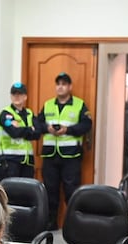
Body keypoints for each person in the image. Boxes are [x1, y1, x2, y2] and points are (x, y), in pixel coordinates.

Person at [35, 72, 92, 229]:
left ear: (70, 87)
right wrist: (47, 128)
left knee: (71, 191)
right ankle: (51, 223)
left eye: (64, 84)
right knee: (50, 191)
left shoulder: (79, 104)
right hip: (50, 155)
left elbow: (86, 125)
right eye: (58, 84)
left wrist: (68, 130)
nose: (60, 87)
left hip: (71, 155)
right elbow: (37, 125)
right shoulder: (48, 105)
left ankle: (74, 225)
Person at [0, 82, 39, 180]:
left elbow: (37, 134)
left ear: (25, 97)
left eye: (19, 94)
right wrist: (29, 129)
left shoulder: (30, 113)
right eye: (14, 94)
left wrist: (21, 130)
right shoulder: (5, 114)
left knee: (27, 192)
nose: (16, 97)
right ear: (11, 96)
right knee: (10, 192)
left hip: (27, 161)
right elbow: (14, 133)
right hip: (10, 160)